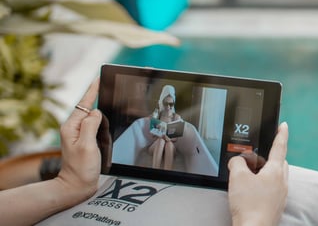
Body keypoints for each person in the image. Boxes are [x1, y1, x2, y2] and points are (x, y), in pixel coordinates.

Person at [0, 78, 289, 226]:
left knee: (164, 144)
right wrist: (257, 219)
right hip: (158, 142)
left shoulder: (174, 114)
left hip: (168, 141)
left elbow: (174, 127)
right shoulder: (156, 115)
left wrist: (68, 186)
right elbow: (154, 126)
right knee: (160, 144)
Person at [148, 85, 181, 170]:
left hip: (170, 148)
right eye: (166, 103)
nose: (168, 107)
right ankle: (154, 172)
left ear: (174, 103)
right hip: (156, 146)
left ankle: (167, 173)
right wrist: (162, 136)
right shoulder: (156, 113)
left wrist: (169, 138)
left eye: (171, 104)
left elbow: (176, 138)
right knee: (160, 140)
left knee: (169, 144)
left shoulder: (176, 117)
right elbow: (152, 134)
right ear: (162, 102)